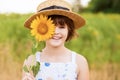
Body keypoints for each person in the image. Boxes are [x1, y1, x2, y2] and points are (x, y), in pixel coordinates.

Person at [22, 0, 89, 80]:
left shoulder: (79, 62)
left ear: (69, 30)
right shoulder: (31, 62)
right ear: (39, 30)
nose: (56, 32)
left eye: (61, 27)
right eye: (51, 27)